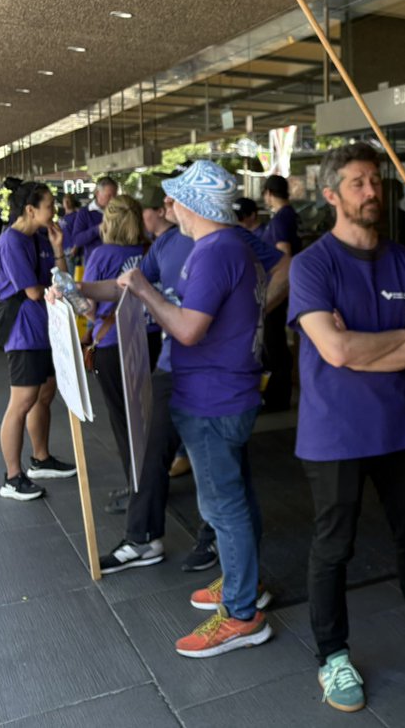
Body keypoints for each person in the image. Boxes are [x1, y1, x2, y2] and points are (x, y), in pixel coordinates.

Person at [289, 144, 405, 712]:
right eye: (358, 183)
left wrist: (359, 347)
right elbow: (335, 350)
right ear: (331, 195)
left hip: (401, 428)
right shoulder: (312, 265)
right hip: (334, 434)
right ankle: (332, 656)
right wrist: (395, 340)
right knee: (333, 547)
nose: (372, 192)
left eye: (375, 181)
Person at [74, 190, 281, 576]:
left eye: (173, 201)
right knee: (153, 448)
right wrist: (80, 288)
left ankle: (223, 555)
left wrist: (252, 312)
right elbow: (128, 285)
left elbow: (284, 266)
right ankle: (144, 537)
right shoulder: (168, 243)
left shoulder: (227, 239)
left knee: (224, 474)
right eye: (166, 201)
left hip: (217, 379)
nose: (167, 208)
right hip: (176, 366)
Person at [116, 161, 271, 658]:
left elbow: (186, 329)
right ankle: (243, 585)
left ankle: (242, 615)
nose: (168, 208)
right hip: (224, 394)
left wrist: (144, 291)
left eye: (174, 199)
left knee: (223, 506)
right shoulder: (230, 246)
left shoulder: (216, 251)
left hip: (212, 399)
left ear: (193, 205)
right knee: (235, 497)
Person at [0, 181, 76, 501]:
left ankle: (41, 459)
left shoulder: (39, 237)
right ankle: (12, 477)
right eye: (50, 206)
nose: (54, 211)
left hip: (44, 328)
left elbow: (63, 280)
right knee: (22, 401)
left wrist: (58, 248)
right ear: (30, 209)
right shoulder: (11, 242)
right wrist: (55, 287)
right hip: (22, 332)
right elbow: (33, 292)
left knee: (45, 394)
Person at [80, 195, 156, 516]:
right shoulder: (150, 250)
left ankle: (137, 487)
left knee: (124, 420)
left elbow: (89, 307)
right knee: (148, 416)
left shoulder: (101, 254)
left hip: (113, 343)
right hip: (152, 337)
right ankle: (151, 482)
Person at [261, 174, 301, 412]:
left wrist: (276, 291)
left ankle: (277, 397)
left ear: (268, 193)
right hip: (285, 287)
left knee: (273, 342)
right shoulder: (290, 215)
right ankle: (278, 394)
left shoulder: (280, 220)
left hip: (278, 289)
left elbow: (285, 255)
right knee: (275, 341)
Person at [69, 177, 117, 265]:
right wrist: (98, 229)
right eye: (109, 196)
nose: (113, 199)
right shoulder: (85, 212)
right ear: (98, 193)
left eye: (115, 196)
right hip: (94, 263)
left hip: (115, 260)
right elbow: (77, 240)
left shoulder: (118, 211)